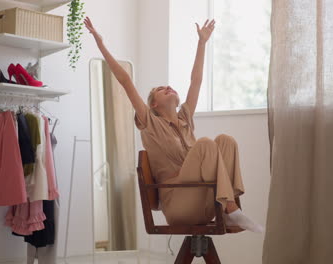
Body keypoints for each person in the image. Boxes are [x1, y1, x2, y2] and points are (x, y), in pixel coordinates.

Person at [84, 17, 263, 233]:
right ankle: (232, 210)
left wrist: (202, 43)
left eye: (168, 86)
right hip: (178, 204)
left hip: (202, 199)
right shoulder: (149, 122)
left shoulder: (185, 118)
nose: (168, 86)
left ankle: (228, 205)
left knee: (226, 140)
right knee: (205, 144)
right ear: (154, 104)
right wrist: (100, 44)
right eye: (161, 88)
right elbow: (125, 81)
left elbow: (195, 81)